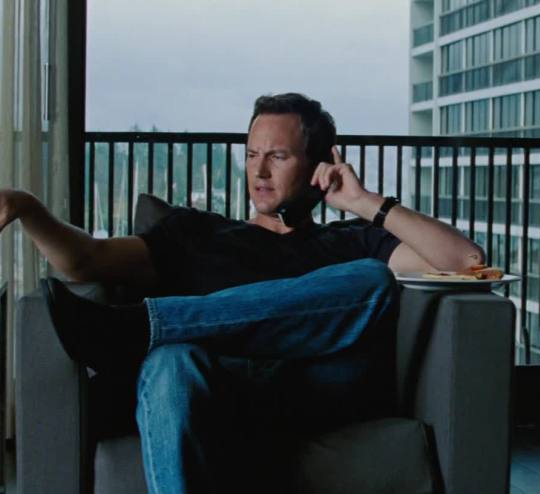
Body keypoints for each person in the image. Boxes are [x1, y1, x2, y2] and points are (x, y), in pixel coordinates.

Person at [0, 93, 485, 492]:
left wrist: (363, 202)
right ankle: (154, 331)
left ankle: (145, 326)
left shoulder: (350, 240)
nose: (259, 171)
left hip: (310, 386)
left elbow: (466, 262)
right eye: (252, 155)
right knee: (171, 361)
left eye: (278, 156)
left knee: (371, 279)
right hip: (214, 386)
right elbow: (85, 261)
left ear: (318, 165)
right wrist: (27, 207)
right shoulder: (195, 233)